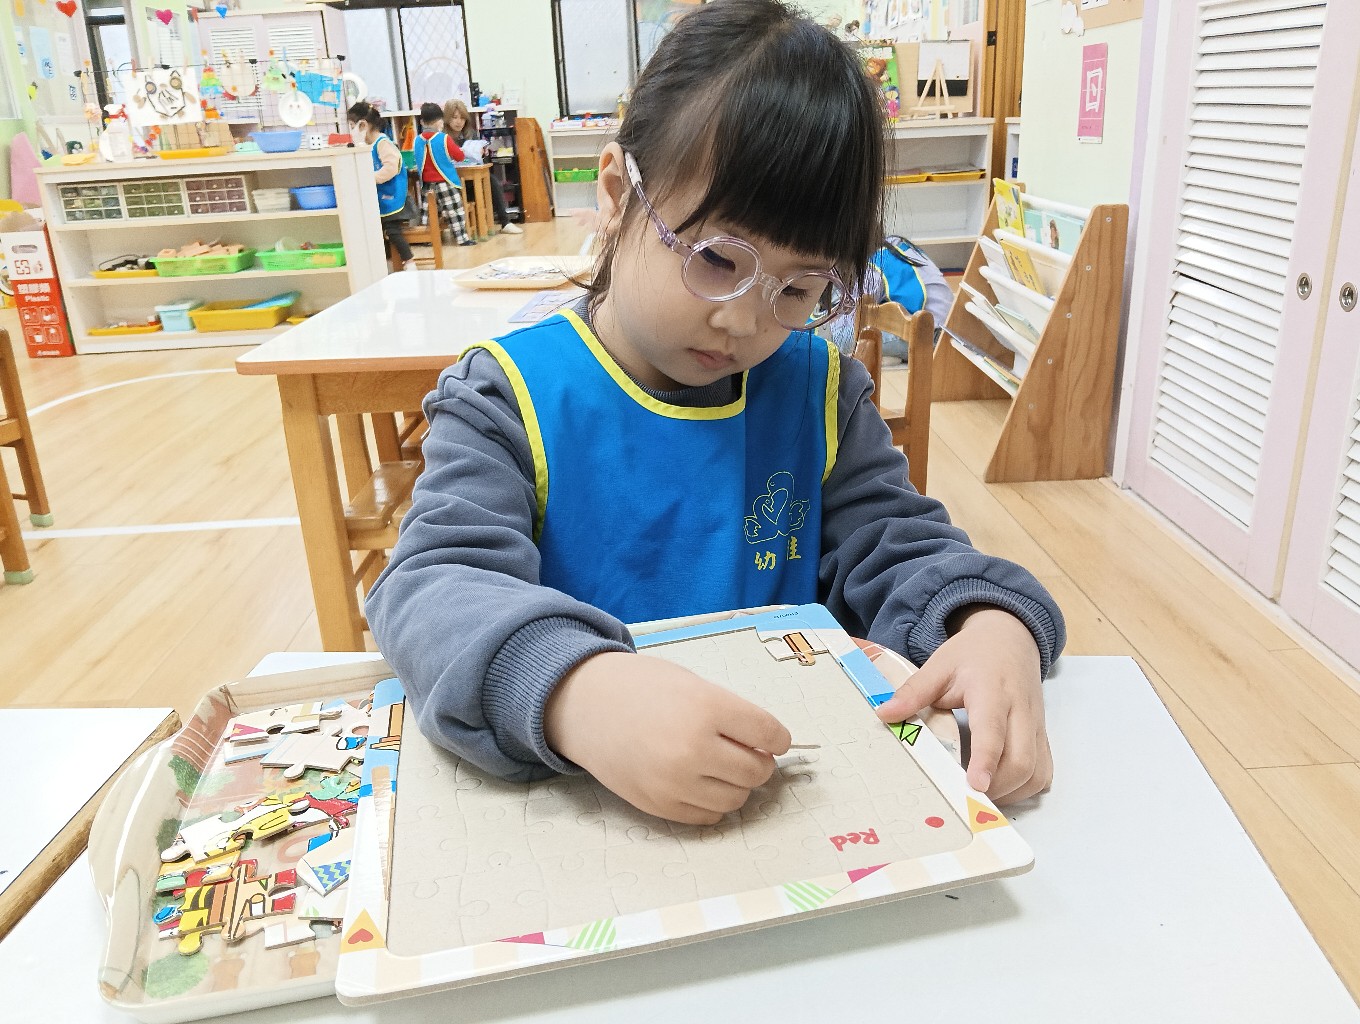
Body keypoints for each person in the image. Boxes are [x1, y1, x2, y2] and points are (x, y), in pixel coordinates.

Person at [368, 0, 1064, 825]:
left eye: (798, 289)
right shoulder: (508, 397)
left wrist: (987, 621)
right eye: (716, 259)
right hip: (579, 810)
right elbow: (433, 586)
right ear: (618, 192)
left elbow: (898, 543)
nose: (743, 320)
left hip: (784, 802)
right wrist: (573, 691)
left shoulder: (820, 392)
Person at [828, 234, 952, 365]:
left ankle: (883, 355)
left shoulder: (873, 267)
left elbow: (853, 319)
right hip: (947, 331)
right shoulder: (895, 245)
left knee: (832, 338)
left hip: (929, 338)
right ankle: (886, 355)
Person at [347, 101, 415, 271]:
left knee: (392, 230)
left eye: (353, 126)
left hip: (393, 197)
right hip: (379, 198)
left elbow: (391, 167)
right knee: (373, 229)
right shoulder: (365, 146)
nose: (351, 131)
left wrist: (370, 178)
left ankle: (409, 261)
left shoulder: (382, 143)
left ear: (364, 125)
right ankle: (382, 264)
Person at [442, 97, 524, 235]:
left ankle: (505, 222)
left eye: (462, 118)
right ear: (447, 118)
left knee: (493, 181)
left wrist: (483, 152)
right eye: (455, 117)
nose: (459, 121)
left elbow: (479, 157)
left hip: (473, 175)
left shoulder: (470, 133)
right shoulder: (443, 137)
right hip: (454, 178)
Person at [412, 101, 473, 246]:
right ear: (440, 121)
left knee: (429, 213)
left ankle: (428, 239)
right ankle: (462, 239)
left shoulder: (417, 140)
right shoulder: (444, 138)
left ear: (421, 122)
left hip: (427, 185)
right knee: (454, 211)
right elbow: (459, 156)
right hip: (445, 182)